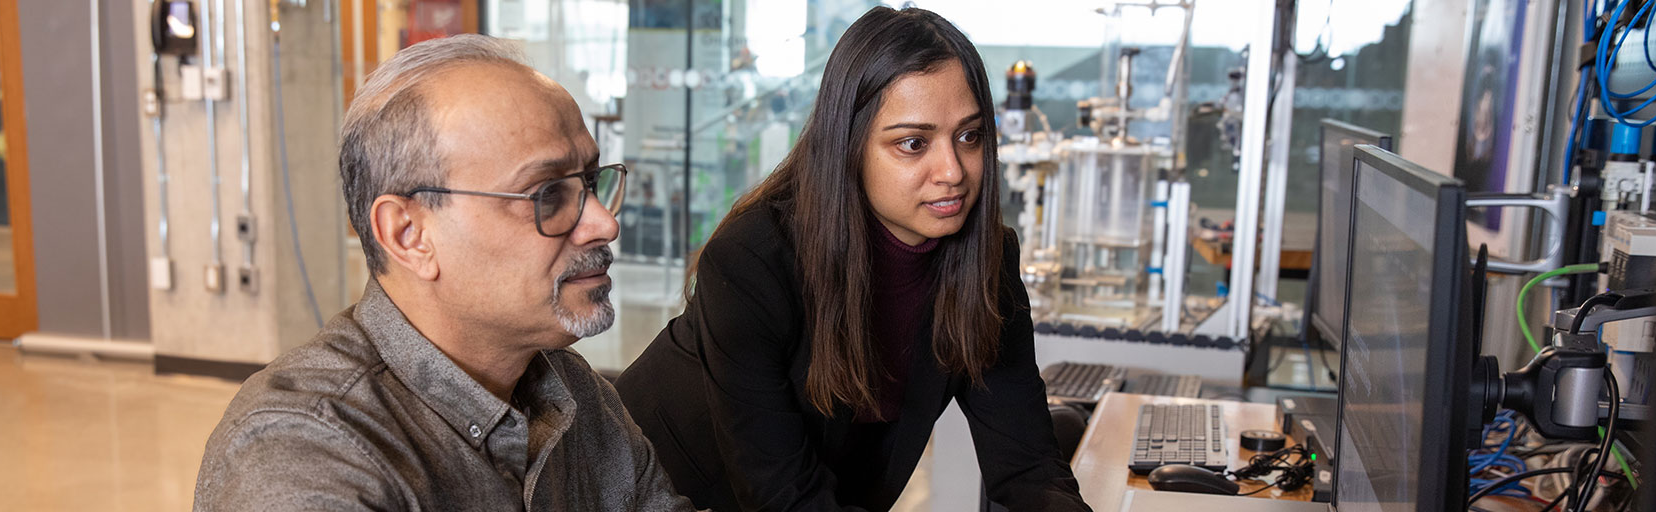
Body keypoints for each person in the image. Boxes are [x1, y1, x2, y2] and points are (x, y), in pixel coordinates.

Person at [615, 7, 1091, 511]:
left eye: (969, 136)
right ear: (848, 145)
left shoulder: (987, 263)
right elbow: (782, 496)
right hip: (657, 493)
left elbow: (1030, 465)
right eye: (913, 143)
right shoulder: (753, 260)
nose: (952, 170)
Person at [194, 35, 692, 511]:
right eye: (547, 194)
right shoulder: (302, 451)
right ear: (408, 234)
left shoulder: (573, 392)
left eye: (589, 182)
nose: (604, 222)